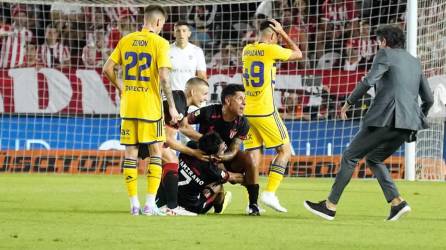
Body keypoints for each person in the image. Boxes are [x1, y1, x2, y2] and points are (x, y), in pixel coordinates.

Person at [304, 24, 434, 221]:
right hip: (408, 123)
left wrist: (348, 102)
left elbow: (368, 81)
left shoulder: (384, 55)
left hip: (385, 118)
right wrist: (416, 116)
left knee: (350, 156)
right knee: (374, 158)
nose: (377, 45)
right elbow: (429, 99)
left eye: (378, 41)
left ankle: (329, 206)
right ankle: (397, 202)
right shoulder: (415, 62)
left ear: (384, 42)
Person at [102, 5, 180, 216]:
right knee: (156, 152)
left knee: (130, 155)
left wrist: (121, 89)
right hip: (150, 108)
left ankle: (133, 204)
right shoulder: (161, 43)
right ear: (158, 23)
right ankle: (149, 204)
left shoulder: (126, 40)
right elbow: (164, 77)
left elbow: (107, 68)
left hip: (129, 107)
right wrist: (171, 106)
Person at [241, 19, 302, 213]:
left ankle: (252, 203)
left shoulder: (247, 50)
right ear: (273, 36)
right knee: (285, 151)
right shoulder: (271, 49)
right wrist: (284, 33)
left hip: (247, 111)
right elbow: (298, 54)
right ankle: (270, 193)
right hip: (265, 110)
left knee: (253, 157)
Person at [184, 84, 261, 216]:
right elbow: (183, 123)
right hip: (206, 158)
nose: (244, 103)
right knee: (217, 199)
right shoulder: (209, 112)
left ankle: (253, 205)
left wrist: (221, 158)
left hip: (226, 158)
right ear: (227, 100)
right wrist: (205, 140)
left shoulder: (243, 123)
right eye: (240, 99)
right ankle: (220, 200)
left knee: (250, 159)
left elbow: (234, 150)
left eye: (245, 99)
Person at [138, 77, 210, 216]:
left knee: (166, 162)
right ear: (193, 91)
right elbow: (168, 140)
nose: (205, 98)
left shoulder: (179, 100)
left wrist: (206, 139)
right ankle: (171, 207)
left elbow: (184, 127)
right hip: (145, 133)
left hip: (141, 129)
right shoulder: (178, 105)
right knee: (171, 161)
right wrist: (193, 152)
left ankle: (157, 204)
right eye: (204, 94)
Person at [156, 132, 244, 214]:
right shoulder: (213, 171)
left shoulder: (191, 146)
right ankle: (219, 209)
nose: (224, 148)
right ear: (213, 154)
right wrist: (249, 178)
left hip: (168, 197)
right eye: (222, 148)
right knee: (218, 186)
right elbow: (235, 178)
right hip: (190, 207)